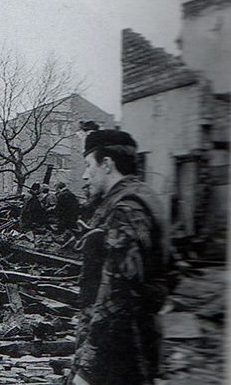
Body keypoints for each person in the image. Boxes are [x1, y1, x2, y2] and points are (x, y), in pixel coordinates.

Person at [67, 129, 171, 385]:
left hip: (117, 358)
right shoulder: (147, 199)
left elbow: (116, 297)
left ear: (107, 164)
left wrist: (87, 370)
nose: (84, 175)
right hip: (138, 346)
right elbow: (169, 275)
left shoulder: (126, 211)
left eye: (88, 165)